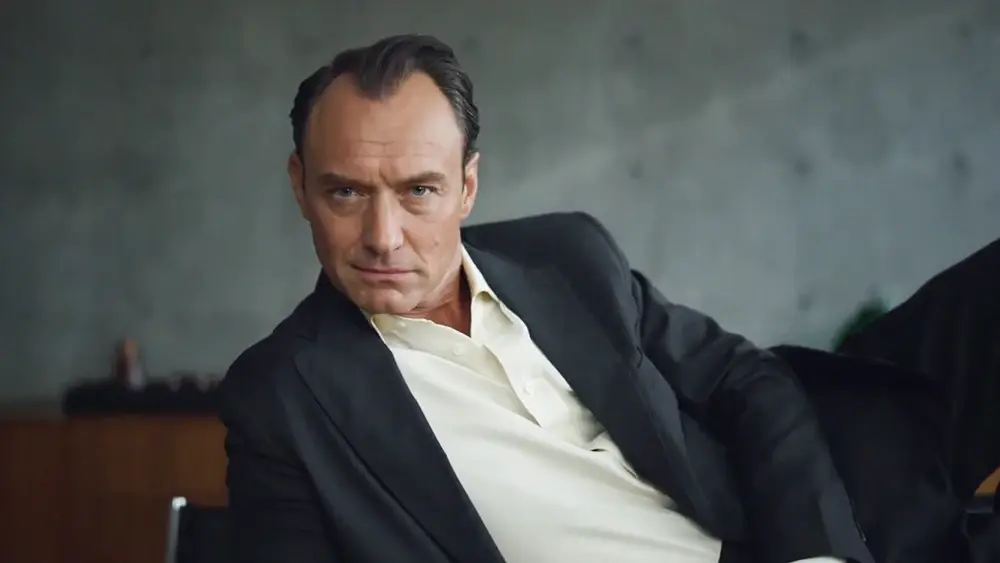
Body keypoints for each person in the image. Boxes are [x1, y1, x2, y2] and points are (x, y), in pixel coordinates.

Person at [219, 34, 871, 563]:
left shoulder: (567, 256)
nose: (383, 237)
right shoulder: (279, 395)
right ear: (301, 187)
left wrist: (813, 554)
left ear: (467, 187)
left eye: (419, 191)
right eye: (346, 192)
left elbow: (745, 377)